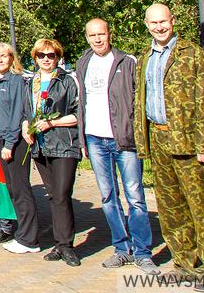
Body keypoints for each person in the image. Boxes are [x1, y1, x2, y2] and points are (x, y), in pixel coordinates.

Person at [135, 3, 204, 289]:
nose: (159, 27)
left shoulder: (193, 54)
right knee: (171, 209)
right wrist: (143, 142)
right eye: (153, 23)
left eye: (163, 21)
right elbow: (141, 102)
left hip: (189, 141)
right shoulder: (145, 58)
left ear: (172, 21)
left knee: (200, 208)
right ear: (146, 25)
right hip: (158, 139)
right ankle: (184, 264)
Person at [76, 17, 158, 275]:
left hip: (123, 139)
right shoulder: (83, 62)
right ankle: (121, 249)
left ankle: (143, 252)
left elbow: (139, 101)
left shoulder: (127, 61)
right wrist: (83, 139)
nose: (97, 39)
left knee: (135, 196)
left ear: (109, 34)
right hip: (94, 138)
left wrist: (137, 134)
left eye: (101, 34)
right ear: (87, 37)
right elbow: (82, 103)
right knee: (108, 197)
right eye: (92, 35)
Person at [24, 38, 81, 264]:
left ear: (58, 57)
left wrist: (52, 123)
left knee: (62, 193)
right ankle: (60, 244)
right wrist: (25, 128)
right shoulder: (30, 82)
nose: (46, 59)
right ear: (35, 58)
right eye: (41, 55)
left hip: (63, 143)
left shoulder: (67, 81)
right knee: (53, 195)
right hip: (40, 145)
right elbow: (26, 111)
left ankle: (66, 245)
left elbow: (78, 113)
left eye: (51, 55)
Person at [0, 41, 34, 252]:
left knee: (21, 189)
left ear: (11, 58)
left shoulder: (16, 81)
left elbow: (17, 113)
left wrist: (9, 142)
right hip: (1, 138)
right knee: (12, 189)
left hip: (14, 141)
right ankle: (22, 233)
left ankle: (29, 239)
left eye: (4, 55)